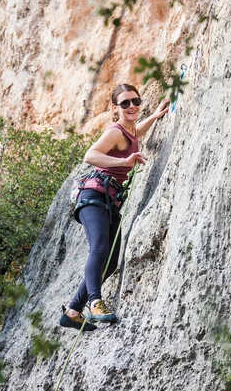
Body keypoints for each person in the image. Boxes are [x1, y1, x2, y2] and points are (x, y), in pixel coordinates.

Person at [59, 84, 169, 331]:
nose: (132, 106)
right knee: (99, 248)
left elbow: (135, 134)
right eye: (125, 103)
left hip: (108, 202)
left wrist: (154, 116)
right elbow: (91, 155)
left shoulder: (128, 131)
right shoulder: (115, 130)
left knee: (109, 262)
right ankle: (95, 302)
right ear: (115, 108)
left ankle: (73, 311)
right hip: (94, 197)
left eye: (135, 101)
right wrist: (124, 161)